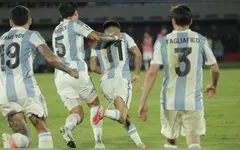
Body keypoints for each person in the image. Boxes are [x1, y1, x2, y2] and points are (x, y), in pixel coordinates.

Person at [0, 5, 78, 148]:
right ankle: (14, 141)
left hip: (4, 95)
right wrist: (70, 70)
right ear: (30, 20)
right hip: (27, 90)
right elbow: (50, 58)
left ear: (11, 22)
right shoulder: (32, 35)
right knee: (42, 129)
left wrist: (2, 82)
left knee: (23, 134)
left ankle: (13, 140)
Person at [138, 4, 220, 148]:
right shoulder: (200, 40)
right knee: (194, 141)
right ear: (191, 21)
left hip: (169, 101)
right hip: (193, 101)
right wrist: (213, 84)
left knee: (170, 139)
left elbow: (151, 73)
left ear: (173, 21)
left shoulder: (162, 42)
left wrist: (142, 102)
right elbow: (215, 69)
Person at [52, 2, 120, 148]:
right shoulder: (75, 24)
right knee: (94, 105)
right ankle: (98, 142)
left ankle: (68, 128)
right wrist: (114, 39)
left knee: (77, 112)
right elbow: (96, 36)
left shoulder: (56, 30)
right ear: (75, 13)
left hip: (60, 75)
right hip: (76, 71)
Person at [90, 20, 149, 148]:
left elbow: (93, 66)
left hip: (105, 83)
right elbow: (137, 54)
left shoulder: (97, 43)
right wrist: (137, 74)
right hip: (121, 79)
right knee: (123, 114)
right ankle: (104, 112)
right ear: (118, 29)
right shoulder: (124, 36)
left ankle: (140, 144)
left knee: (123, 116)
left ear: (105, 31)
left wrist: (105, 72)